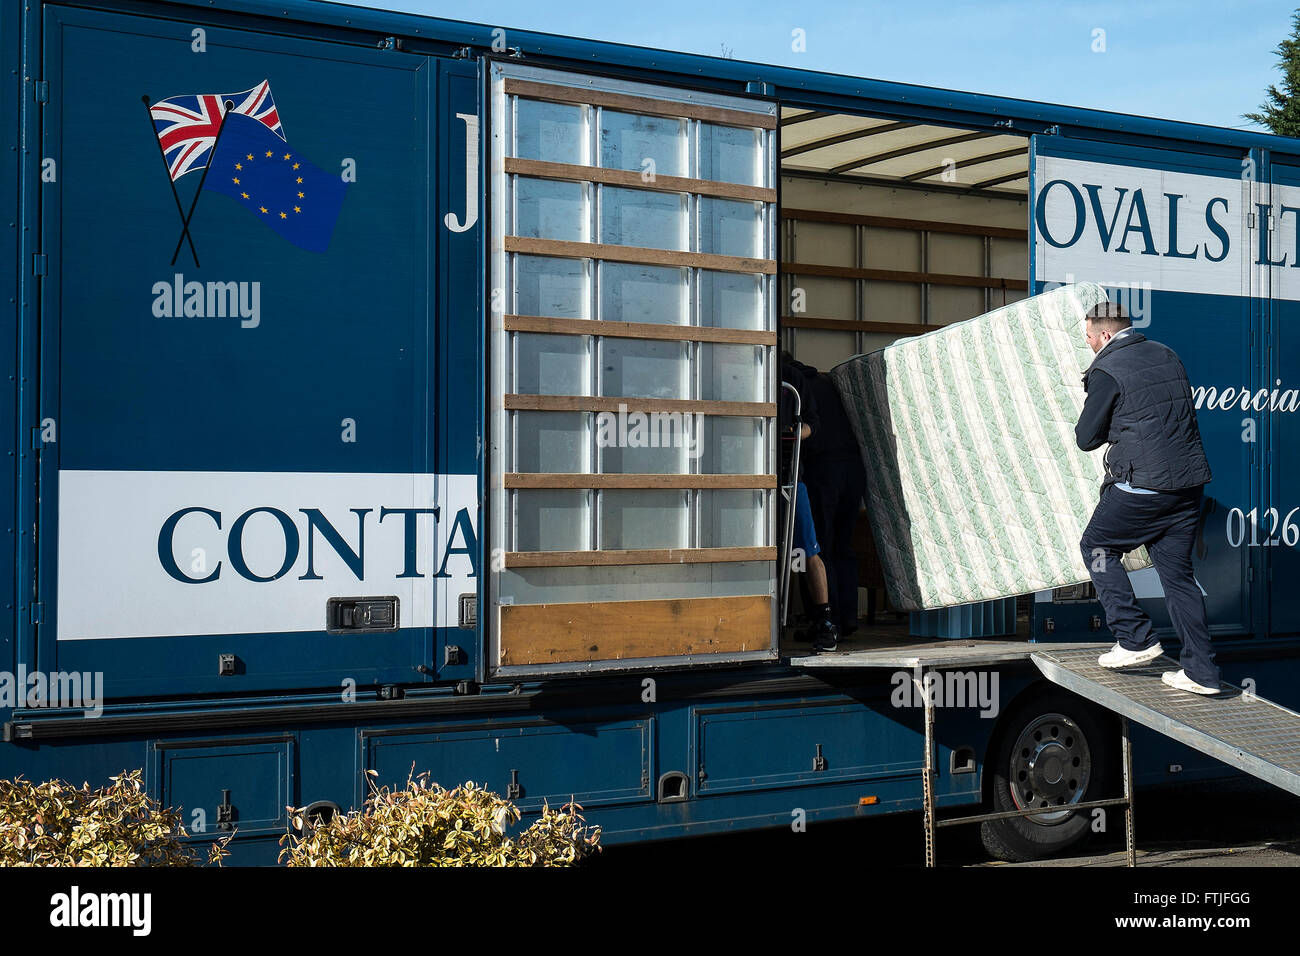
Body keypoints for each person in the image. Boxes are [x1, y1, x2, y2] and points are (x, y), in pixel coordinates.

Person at [1074, 301, 1219, 695]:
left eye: (1088, 336)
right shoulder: (1165, 353)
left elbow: (1086, 437)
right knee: (1178, 578)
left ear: (1105, 334)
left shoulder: (1107, 368)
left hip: (1145, 487)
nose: (1088, 343)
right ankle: (1201, 672)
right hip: (1188, 486)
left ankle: (1135, 637)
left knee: (1098, 545)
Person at [787, 358, 867, 636]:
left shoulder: (792, 387)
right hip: (855, 468)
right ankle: (850, 617)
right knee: (843, 546)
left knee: (818, 547)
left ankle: (825, 621)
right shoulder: (829, 383)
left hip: (822, 470)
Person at [780, 356, 838, 651]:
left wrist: (791, 434)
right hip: (748, 478)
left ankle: (825, 621)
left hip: (789, 475)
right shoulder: (739, 367)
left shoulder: (792, 378)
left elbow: (813, 425)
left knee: (807, 549)